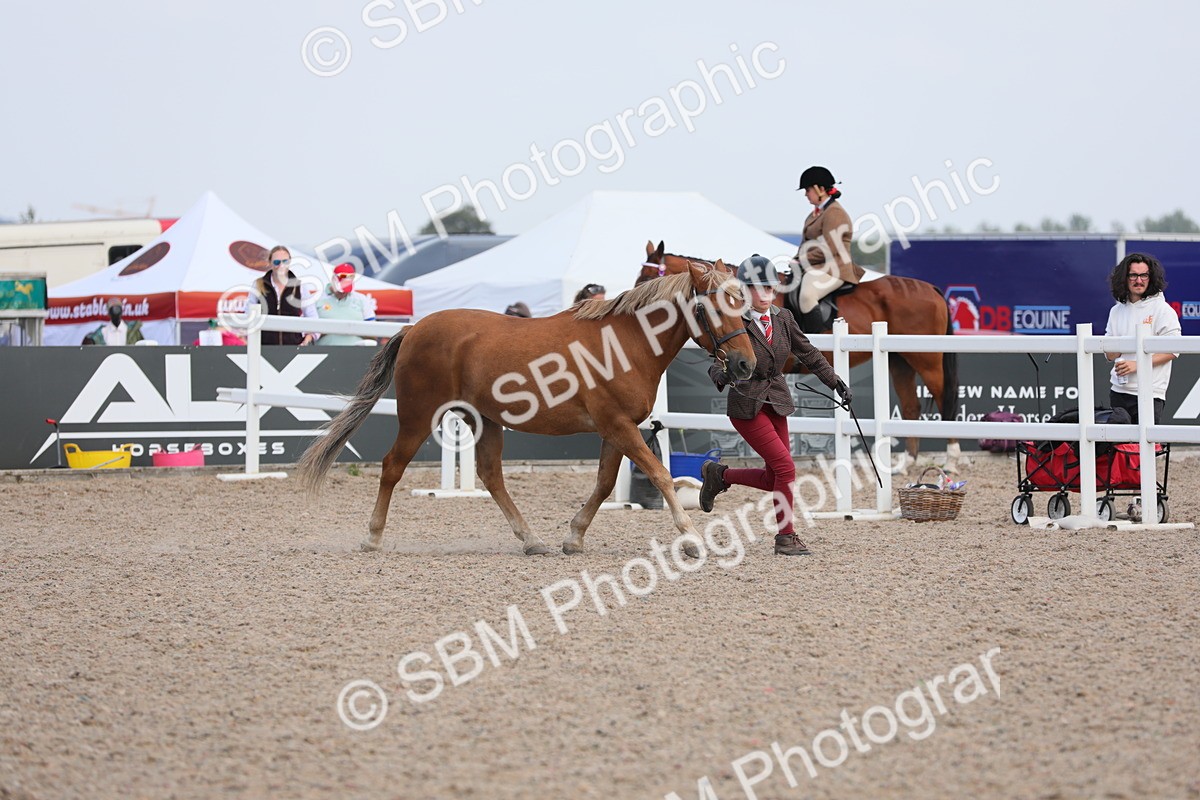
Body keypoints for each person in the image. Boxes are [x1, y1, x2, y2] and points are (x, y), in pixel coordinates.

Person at [699, 255, 853, 556]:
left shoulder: (783, 319)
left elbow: (808, 353)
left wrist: (835, 382)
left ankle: (721, 475)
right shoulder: (734, 322)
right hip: (746, 405)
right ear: (744, 290)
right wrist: (724, 376)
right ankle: (786, 537)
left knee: (775, 476)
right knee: (786, 468)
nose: (766, 294)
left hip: (777, 401)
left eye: (771, 288)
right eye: (759, 288)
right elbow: (714, 363)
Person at [1103, 253, 1180, 425]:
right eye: (1133, 275)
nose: (1139, 280)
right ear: (1124, 278)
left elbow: (1173, 350)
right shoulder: (1116, 311)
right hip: (1118, 390)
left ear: (1151, 278)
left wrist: (1137, 365)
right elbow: (1109, 355)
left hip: (1150, 392)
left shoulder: (1163, 309)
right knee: (1118, 449)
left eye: (1144, 275)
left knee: (1143, 448)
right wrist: (1117, 351)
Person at [790, 166, 866, 333]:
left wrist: (801, 260)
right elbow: (805, 244)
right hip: (816, 266)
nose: (805, 194)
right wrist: (795, 260)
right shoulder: (815, 214)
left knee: (807, 295)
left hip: (836, 268)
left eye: (808, 190)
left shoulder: (835, 213)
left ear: (820, 189)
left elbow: (830, 248)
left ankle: (814, 346)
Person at [246, 246, 318, 346]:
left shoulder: (300, 286)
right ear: (270, 263)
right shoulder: (258, 285)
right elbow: (248, 315)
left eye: (285, 261)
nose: (281, 265)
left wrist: (308, 339)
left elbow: (312, 317)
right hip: (264, 348)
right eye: (276, 262)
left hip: (293, 347)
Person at [315, 263, 378, 346]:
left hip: (356, 352)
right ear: (333, 280)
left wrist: (350, 329)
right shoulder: (317, 299)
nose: (343, 292)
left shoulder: (362, 299)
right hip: (324, 352)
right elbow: (307, 332)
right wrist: (334, 328)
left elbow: (374, 333)